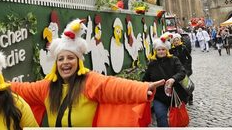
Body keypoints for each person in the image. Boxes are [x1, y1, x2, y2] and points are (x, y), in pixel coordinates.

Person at [11, 19, 164, 127]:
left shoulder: (89, 81)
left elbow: (115, 86)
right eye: (60, 59)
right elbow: (22, 89)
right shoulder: (47, 87)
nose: (65, 62)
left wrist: (144, 88)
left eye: (70, 58)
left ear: (79, 61)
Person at [143, 34, 188, 127]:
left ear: (167, 50)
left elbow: (182, 72)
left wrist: (173, 79)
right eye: (159, 49)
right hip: (159, 97)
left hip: (174, 95)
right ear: (155, 51)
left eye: (163, 49)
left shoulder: (174, 59)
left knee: (177, 118)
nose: (161, 51)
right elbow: (145, 79)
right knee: (160, 117)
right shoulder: (152, 64)